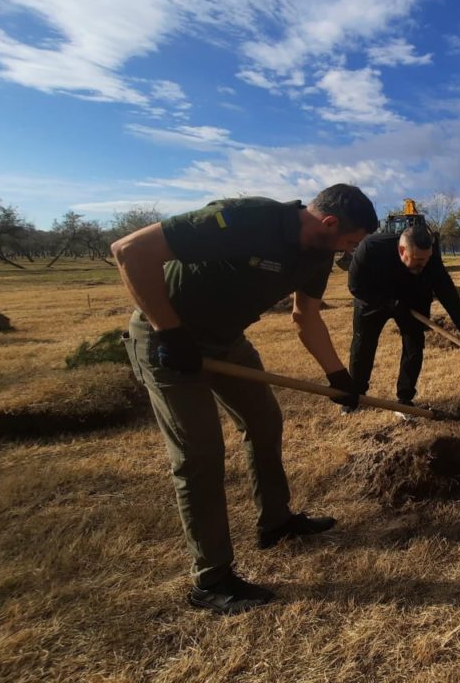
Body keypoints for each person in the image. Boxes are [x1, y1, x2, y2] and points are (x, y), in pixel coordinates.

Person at [112, 184, 378, 614]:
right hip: (167, 342)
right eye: (351, 242)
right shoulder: (249, 219)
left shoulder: (317, 254)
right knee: (200, 457)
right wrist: (170, 332)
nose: (351, 252)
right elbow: (129, 250)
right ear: (329, 224)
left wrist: (338, 375)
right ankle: (212, 580)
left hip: (226, 342)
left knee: (265, 422)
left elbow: (305, 317)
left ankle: (276, 522)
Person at [345, 224, 460, 414]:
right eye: (418, 259)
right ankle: (354, 397)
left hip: (413, 296)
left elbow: (450, 297)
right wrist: (389, 304)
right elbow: (356, 287)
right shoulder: (371, 248)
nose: (424, 264)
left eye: (427, 259)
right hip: (373, 298)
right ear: (402, 250)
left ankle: (404, 400)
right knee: (363, 344)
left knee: (414, 345)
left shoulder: (430, 259)